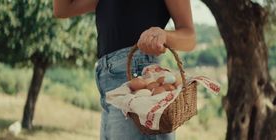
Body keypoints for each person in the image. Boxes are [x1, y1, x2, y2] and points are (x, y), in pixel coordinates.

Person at [53, 0, 195, 139]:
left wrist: (164, 35)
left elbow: (190, 38)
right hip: (110, 83)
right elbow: (63, 9)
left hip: (140, 77)